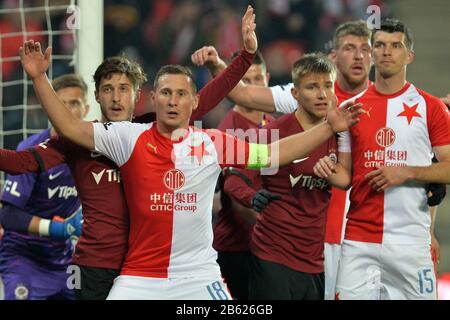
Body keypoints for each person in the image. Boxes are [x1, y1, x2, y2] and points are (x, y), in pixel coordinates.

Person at [18, 9, 363, 299]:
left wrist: (328, 127)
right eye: (165, 93)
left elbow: (273, 154)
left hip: (199, 278)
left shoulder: (212, 142)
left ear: (194, 102)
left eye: (181, 94)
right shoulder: (126, 137)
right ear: (153, 99)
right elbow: (70, 127)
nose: (172, 100)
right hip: (141, 279)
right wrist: (39, 78)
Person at [0, 6, 263, 300]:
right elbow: (21, 162)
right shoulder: (80, 138)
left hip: (145, 266)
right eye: (108, 89)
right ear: (97, 95)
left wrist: (246, 57)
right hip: (96, 265)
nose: (116, 97)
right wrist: (38, 78)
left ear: (138, 95)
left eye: (124, 88)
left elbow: (204, 100)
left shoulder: (151, 128)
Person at [191, 20, 445, 299]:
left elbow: (422, 170)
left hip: (364, 239)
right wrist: (218, 66)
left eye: (364, 49)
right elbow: (244, 95)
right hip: (336, 243)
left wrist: (429, 225)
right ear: (334, 57)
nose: (359, 55)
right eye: (350, 48)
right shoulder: (314, 97)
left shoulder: (412, 106)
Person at [313, 18, 450, 300]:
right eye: (380, 45)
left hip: (410, 242)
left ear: (409, 55)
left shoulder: (431, 107)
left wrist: (408, 172)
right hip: (359, 242)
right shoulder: (350, 109)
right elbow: (346, 177)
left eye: (396, 45)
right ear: (372, 54)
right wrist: (327, 169)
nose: (387, 51)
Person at [0, 74, 87, 300]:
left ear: (86, 109)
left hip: (63, 258)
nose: (67, 110)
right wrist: (60, 229)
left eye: (74, 103)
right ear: (49, 108)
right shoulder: (30, 151)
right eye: (60, 103)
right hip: (24, 256)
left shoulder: (92, 154)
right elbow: (9, 216)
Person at [212, 50, 273, 300]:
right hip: (237, 248)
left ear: (268, 78)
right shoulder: (229, 130)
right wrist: (276, 231)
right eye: (245, 81)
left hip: (267, 245)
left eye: (258, 79)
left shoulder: (272, 123)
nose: (254, 86)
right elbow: (236, 197)